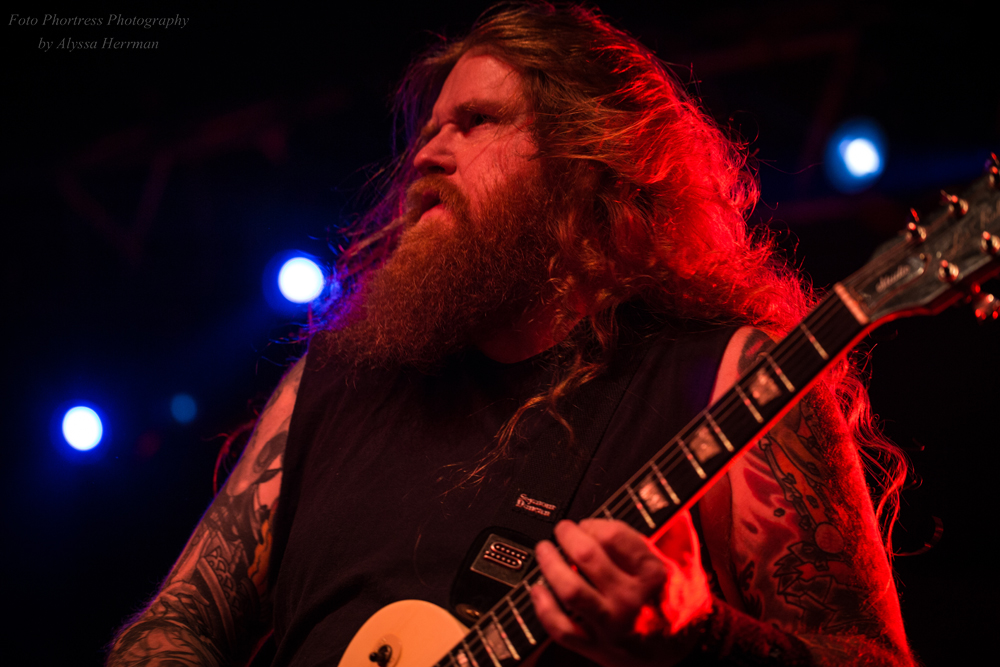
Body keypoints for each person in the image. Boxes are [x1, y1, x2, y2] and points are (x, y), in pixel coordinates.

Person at [107, 4, 914, 666]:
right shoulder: (337, 379)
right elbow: (174, 624)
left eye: (476, 121)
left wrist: (701, 636)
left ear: (586, 162)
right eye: (428, 130)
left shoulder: (728, 378)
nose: (429, 151)